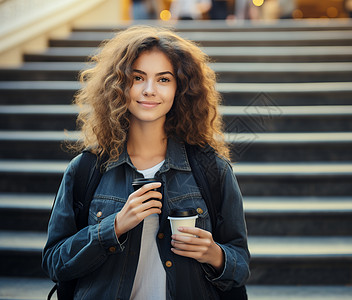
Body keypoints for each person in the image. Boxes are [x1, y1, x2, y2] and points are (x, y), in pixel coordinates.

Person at [42, 25, 250, 299]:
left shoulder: (213, 170)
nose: (149, 90)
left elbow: (241, 265)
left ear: (181, 88)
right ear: (118, 85)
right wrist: (113, 227)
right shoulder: (85, 170)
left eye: (163, 79)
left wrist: (215, 255)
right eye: (137, 77)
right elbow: (54, 263)